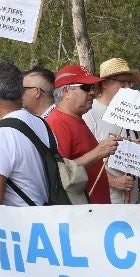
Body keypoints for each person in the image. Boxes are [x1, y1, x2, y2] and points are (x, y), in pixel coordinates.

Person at [0, 63, 50, 206]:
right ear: (21, 94)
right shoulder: (42, 124)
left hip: (16, 223)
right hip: (42, 217)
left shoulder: (0, 135)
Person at [46, 65, 119, 204]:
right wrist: (98, 153)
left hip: (93, 212)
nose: (92, 92)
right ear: (66, 91)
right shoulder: (57, 122)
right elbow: (60, 173)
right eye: (86, 87)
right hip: (81, 214)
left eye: (93, 87)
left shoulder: (75, 118)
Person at [84, 58, 140, 203]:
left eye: (130, 83)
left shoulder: (132, 113)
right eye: (122, 82)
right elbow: (85, 159)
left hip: (131, 199)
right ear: (105, 83)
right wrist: (113, 180)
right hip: (104, 201)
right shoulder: (90, 113)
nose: (128, 88)